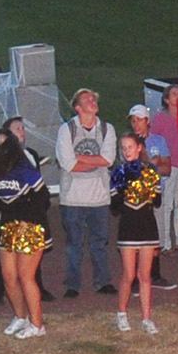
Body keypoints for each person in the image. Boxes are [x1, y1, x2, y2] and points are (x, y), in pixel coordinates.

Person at [0, 118, 53, 338]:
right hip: (7, 227)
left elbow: (43, 197)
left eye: (6, 142)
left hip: (30, 226)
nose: (3, 146)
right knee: (9, 277)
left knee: (27, 276)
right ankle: (20, 317)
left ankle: (38, 325)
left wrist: (28, 220)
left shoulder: (24, 168)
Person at [55, 89, 118, 300]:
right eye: (87, 100)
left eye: (93, 98)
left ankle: (103, 282)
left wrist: (80, 158)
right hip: (72, 198)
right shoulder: (67, 130)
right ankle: (73, 284)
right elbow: (68, 163)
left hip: (99, 197)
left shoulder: (107, 129)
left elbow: (108, 159)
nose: (92, 101)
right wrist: (94, 159)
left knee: (99, 243)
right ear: (78, 108)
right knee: (74, 244)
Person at [111, 129, 166, 333]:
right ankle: (122, 313)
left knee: (145, 275)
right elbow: (114, 207)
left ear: (139, 148)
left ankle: (146, 317)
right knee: (129, 274)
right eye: (124, 148)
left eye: (130, 147)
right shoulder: (118, 173)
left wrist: (145, 190)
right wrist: (127, 188)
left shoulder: (150, 171)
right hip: (128, 227)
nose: (127, 152)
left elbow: (158, 201)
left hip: (147, 226)